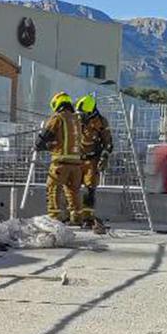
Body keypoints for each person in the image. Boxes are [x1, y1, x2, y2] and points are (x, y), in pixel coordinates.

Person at [36, 91, 83, 224]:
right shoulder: (76, 120)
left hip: (60, 163)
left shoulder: (58, 117)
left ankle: (54, 218)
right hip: (76, 163)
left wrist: (39, 144)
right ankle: (77, 217)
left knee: (53, 188)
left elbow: (47, 134)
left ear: (57, 104)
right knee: (73, 190)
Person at [75, 94, 112, 234]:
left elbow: (108, 142)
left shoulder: (101, 122)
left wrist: (104, 156)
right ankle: (74, 216)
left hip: (92, 160)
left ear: (90, 111)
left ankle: (88, 218)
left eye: (83, 113)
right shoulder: (77, 121)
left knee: (90, 188)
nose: (80, 116)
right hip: (77, 159)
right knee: (72, 188)